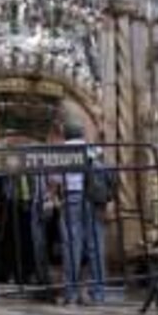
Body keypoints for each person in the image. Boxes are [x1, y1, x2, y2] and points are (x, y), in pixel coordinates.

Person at [58, 121, 107, 305]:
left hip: (72, 196)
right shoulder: (93, 149)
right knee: (95, 244)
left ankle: (70, 292)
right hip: (93, 198)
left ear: (64, 133)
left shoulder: (60, 151)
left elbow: (54, 178)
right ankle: (98, 292)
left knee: (72, 244)